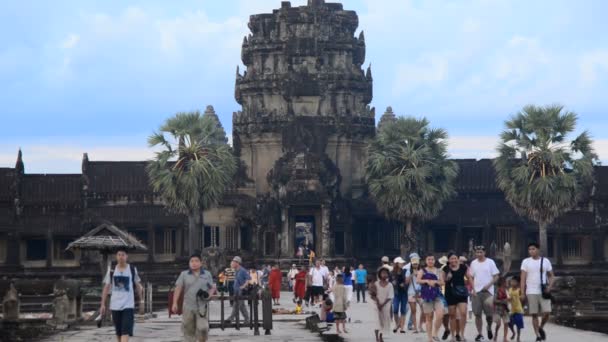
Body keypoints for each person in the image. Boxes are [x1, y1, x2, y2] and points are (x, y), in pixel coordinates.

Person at [100, 248, 143, 342]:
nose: (121, 257)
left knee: (125, 331)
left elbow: (138, 285)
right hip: (115, 305)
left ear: (126, 256)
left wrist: (141, 300)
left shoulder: (132, 269)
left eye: (123, 255)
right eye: (119, 255)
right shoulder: (111, 270)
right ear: (116, 256)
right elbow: (106, 287)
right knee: (118, 332)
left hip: (128, 305)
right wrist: (102, 304)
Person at [172, 253, 215, 342]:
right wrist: (174, 303)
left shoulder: (207, 274)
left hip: (202, 306)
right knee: (188, 329)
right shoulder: (184, 274)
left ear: (201, 263)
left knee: (203, 328)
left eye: (196, 261)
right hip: (188, 305)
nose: (194, 263)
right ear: (189, 263)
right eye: (191, 261)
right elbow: (178, 288)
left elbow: (212, 287)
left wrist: (209, 295)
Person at [520, 242, 554, 342]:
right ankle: (538, 335)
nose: (531, 251)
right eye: (529, 249)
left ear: (538, 250)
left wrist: (550, 287)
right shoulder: (526, 262)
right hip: (531, 290)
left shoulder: (545, 261)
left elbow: (551, 275)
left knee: (547, 312)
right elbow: (523, 278)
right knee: (534, 314)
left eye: (533, 249)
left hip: (543, 290)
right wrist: (522, 292)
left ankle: (541, 327)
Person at [469, 245, 499, 342]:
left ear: (484, 253)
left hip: (488, 292)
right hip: (477, 292)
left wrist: (489, 285)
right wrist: (473, 289)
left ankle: (489, 327)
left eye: (481, 252)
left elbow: (496, 276)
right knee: (477, 314)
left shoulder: (490, 262)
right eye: (477, 252)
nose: (479, 254)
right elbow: (470, 277)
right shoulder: (473, 263)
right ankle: (480, 334)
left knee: (489, 314)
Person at [417, 253, 445, 342]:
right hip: (427, 295)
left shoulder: (438, 270)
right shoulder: (422, 270)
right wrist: (427, 281)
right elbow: (418, 280)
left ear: (434, 260)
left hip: (437, 295)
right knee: (429, 317)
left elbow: (442, 282)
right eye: (429, 259)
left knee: (440, 315)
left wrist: (435, 282)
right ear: (426, 261)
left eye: (432, 259)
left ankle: (435, 332)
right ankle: (429, 338)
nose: (430, 261)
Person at [443, 251, 469, 341]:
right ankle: (453, 336)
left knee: (463, 313)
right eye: (451, 258)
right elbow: (442, 281)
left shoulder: (463, 267)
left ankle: (462, 334)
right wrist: (447, 278)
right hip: (450, 293)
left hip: (461, 292)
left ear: (458, 259)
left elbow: (469, 277)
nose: (453, 260)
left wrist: (473, 289)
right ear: (448, 260)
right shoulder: (445, 268)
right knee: (452, 315)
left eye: (455, 258)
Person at [224, 256, 250, 325]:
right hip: (236, 290)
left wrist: (243, 286)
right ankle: (247, 319)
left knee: (236, 305)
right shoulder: (236, 270)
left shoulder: (242, 270)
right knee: (242, 306)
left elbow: (248, 279)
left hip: (241, 291)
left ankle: (231, 318)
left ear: (237, 263)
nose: (232, 263)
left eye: (233, 262)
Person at [372, 267, 394, 342]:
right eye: (382, 273)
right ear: (379, 275)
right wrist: (378, 303)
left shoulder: (390, 285)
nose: (384, 274)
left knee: (383, 321)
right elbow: (373, 295)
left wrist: (382, 304)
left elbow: (390, 296)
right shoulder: (376, 284)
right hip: (376, 305)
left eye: (386, 273)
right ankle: (377, 338)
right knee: (377, 321)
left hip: (386, 305)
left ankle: (381, 336)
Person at [406, 253, 424, 333]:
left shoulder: (422, 271)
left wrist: (419, 276)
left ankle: (420, 326)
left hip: (420, 293)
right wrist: (412, 274)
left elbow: (424, 282)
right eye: (414, 263)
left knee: (423, 309)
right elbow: (406, 282)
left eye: (416, 263)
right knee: (414, 311)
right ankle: (415, 327)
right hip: (411, 292)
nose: (415, 265)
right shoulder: (408, 271)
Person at [391, 257, 408, 334]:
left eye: (402, 263)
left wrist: (404, 284)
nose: (402, 264)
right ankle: (397, 324)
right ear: (396, 264)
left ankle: (402, 327)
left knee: (403, 310)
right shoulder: (392, 273)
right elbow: (389, 282)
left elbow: (408, 281)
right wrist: (392, 283)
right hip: (396, 293)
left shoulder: (405, 271)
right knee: (395, 308)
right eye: (400, 263)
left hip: (404, 292)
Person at [492, 277, 509, 342]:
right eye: (505, 282)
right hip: (497, 309)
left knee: (506, 323)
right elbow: (494, 300)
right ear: (502, 283)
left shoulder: (507, 290)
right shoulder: (497, 290)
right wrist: (502, 301)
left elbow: (509, 299)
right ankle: (496, 334)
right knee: (498, 324)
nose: (507, 283)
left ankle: (505, 337)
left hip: (505, 309)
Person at [508, 276, 524, 342]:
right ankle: (513, 332)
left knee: (518, 325)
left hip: (518, 310)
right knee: (509, 323)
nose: (512, 282)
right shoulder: (510, 289)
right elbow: (508, 298)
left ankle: (518, 337)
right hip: (512, 310)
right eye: (511, 281)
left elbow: (523, 299)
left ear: (517, 283)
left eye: (514, 281)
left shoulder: (519, 290)